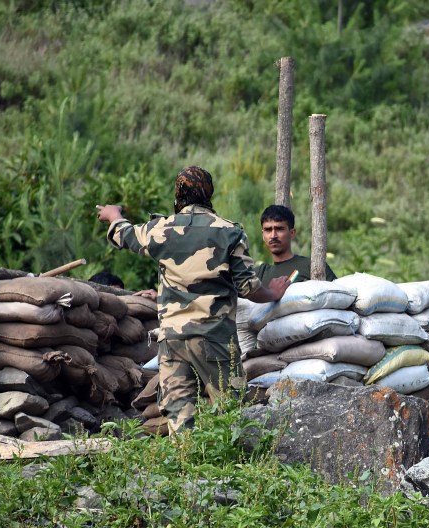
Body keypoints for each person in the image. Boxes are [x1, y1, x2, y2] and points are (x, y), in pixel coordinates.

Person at [97, 166, 290, 434]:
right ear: (208, 193)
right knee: (230, 409)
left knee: (178, 412)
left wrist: (113, 215)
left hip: (173, 340)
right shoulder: (229, 232)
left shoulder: (160, 229)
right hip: (214, 337)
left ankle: (186, 466)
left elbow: (125, 235)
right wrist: (273, 293)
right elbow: (246, 287)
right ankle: (233, 468)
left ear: (178, 194)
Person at [255, 204, 336, 284]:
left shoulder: (312, 267)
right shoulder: (260, 274)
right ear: (263, 235)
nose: (273, 236)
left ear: (292, 233)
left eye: (279, 229)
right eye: (268, 230)